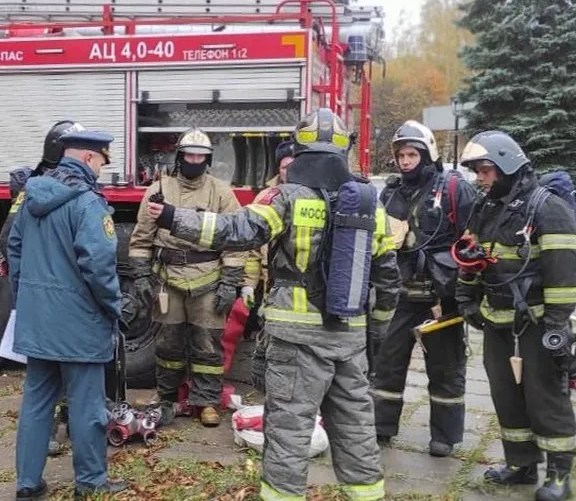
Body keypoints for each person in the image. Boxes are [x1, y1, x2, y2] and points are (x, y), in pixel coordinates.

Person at [144, 108, 401, 501]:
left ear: (299, 152)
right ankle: (366, 494)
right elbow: (387, 280)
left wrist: (176, 218)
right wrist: (375, 336)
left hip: (296, 340)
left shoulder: (285, 198)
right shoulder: (370, 203)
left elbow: (235, 231)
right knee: (356, 429)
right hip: (349, 341)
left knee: (288, 431)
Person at [454, 131, 576, 501]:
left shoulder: (547, 207)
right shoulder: (487, 207)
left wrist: (557, 325)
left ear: (506, 165)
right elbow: (470, 254)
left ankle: (559, 473)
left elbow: (565, 272)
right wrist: (466, 297)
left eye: (485, 170)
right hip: (496, 321)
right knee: (506, 396)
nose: (479, 178)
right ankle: (521, 465)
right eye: (477, 171)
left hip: (538, 324)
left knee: (545, 399)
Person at [7, 127, 127, 500]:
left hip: (37, 321)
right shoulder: (88, 203)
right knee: (87, 406)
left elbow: (14, 248)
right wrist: (114, 307)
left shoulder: (31, 195)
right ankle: (90, 483)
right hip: (79, 324)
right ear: (90, 158)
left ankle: (28, 485)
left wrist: (24, 301)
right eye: (102, 162)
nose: (102, 171)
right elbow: (99, 265)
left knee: (36, 402)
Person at [370, 120, 479, 457]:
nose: (405, 161)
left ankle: (444, 437)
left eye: (411, 154)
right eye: (400, 155)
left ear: (427, 153)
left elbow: (473, 240)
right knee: (387, 364)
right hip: (400, 293)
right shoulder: (389, 193)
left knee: (446, 369)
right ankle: (381, 428)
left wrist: (464, 289)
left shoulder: (454, 189)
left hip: (440, 298)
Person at [128, 128, 247, 427]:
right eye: (189, 155)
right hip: (168, 280)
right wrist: (142, 277)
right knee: (168, 345)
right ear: (180, 157)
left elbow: (235, 240)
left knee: (208, 344)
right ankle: (166, 399)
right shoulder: (157, 191)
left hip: (208, 278)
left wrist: (230, 281)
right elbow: (141, 240)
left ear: (208, 160)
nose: (194, 160)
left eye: (201, 156)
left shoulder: (221, 192)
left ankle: (206, 402)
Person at [0, 120, 85, 458]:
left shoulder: (48, 187)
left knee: (52, 373)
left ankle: (66, 429)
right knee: (53, 372)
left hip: (45, 297)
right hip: (56, 297)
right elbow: (11, 241)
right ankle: (57, 432)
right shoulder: (39, 189)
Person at [244, 138, 297, 392]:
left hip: (296, 282)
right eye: (285, 166)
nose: (289, 171)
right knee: (267, 337)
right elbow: (254, 248)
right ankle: (268, 390)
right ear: (279, 168)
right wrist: (248, 286)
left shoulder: (309, 196)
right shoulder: (265, 197)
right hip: (269, 283)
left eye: (294, 165)